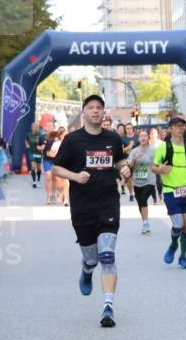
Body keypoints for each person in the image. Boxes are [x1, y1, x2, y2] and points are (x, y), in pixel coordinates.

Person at [49, 94, 131, 327]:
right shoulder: (73, 140)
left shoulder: (113, 138)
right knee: (92, 258)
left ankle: (108, 306)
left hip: (108, 202)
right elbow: (56, 168)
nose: (96, 111)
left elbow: (119, 161)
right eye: (91, 107)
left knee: (107, 255)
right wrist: (76, 176)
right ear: (84, 112)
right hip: (82, 205)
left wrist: (124, 169)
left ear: (104, 113)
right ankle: (86, 269)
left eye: (99, 108)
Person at [152, 116, 186, 269]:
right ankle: (173, 245)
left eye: (182, 126)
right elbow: (154, 167)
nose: (181, 128)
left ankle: (183, 257)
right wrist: (160, 169)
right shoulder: (164, 147)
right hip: (170, 190)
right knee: (178, 225)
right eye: (177, 126)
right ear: (171, 129)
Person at [127, 128, 159, 234]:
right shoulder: (134, 151)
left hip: (150, 180)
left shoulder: (154, 150)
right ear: (139, 138)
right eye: (141, 136)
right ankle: (145, 222)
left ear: (148, 137)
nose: (143, 137)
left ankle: (145, 223)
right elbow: (129, 165)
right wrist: (135, 159)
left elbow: (158, 164)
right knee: (140, 202)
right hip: (137, 181)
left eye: (145, 135)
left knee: (143, 199)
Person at [51, 127, 70, 206]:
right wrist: (58, 155)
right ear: (60, 135)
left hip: (67, 165)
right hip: (58, 165)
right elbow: (51, 153)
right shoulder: (56, 144)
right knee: (59, 184)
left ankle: (66, 200)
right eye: (64, 134)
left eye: (66, 133)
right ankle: (61, 193)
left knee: (66, 182)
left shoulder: (70, 143)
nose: (66, 135)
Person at [27, 122, 43, 188]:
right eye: (34, 127)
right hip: (32, 152)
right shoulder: (29, 134)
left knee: (38, 168)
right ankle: (34, 181)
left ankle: (38, 180)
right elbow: (26, 140)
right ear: (32, 128)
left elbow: (43, 142)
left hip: (39, 153)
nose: (35, 128)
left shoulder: (40, 135)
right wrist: (27, 144)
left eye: (36, 127)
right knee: (33, 166)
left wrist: (42, 147)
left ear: (38, 128)